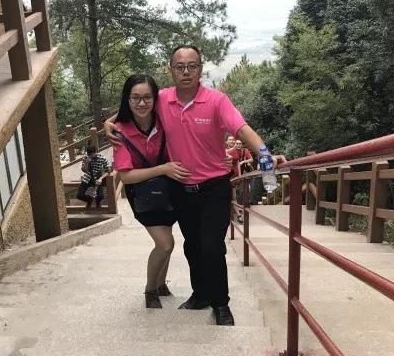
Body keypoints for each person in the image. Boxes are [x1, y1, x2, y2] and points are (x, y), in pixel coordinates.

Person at [106, 44, 284, 326]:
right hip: (180, 188)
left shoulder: (217, 101)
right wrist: (109, 124)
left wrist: (263, 153)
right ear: (171, 70)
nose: (186, 72)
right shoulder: (162, 98)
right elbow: (134, 109)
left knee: (212, 246)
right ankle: (200, 295)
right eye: (180, 67)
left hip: (214, 186)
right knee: (192, 246)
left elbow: (241, 129)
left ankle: (221, 304)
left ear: (201, 69)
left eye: (192, 66)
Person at [112, 74, 191, 309]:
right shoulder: (119, 132)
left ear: (155, 99)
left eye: (147, 97)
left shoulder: (163, 120)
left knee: (167, 238)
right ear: (127, 100)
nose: (142, 103)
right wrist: (163, 169)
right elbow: (126, 176)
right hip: (143, 195)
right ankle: (150, 290)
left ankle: (161, 284)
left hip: (168, 190)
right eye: (135, 98)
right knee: (165, 243)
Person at [76, 143, 110, 209]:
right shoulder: (86, 158)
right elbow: (84, 170)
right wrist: (87, 162)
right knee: (79, 195)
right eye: (89, 154)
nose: (91, 156)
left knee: (100, 196)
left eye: (92, 154)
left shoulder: (102, 158)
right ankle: (90, 200)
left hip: (98, 177)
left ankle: (98, 202)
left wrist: (101, 178)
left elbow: (108, 171)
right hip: (88, 177)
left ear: (96, 152)